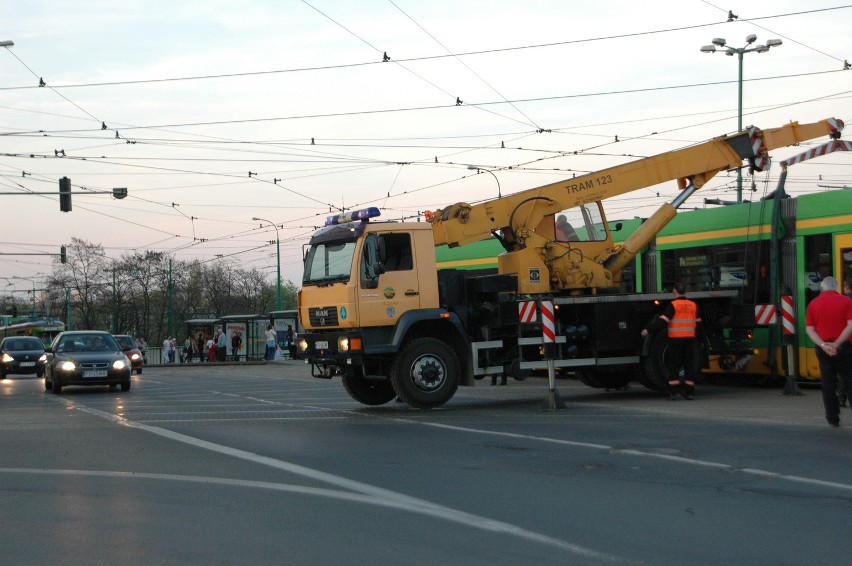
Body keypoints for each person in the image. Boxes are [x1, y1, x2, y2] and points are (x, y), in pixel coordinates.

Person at [804, 276, 852, 427]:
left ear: (822, 288)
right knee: (850, 380)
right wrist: (836, 344)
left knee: (828, 383)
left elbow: (810, 329)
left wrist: (824, 345)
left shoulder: (813, 304)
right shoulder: (847, 302)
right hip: (845, 347)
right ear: (836, 287)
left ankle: (832, 417)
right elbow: (850, 325)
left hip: (823, 349)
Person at [641, 282, 702, 400]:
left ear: (674, 292)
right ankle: (689, 392)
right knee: (689, 365)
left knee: (674, 365)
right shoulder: (693, 305)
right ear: (685, 292)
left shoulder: (673, 305)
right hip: (690, 340)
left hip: (676, 340)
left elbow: (662, 321)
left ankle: (674, 391)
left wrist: (648, 329)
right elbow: (699, 324)